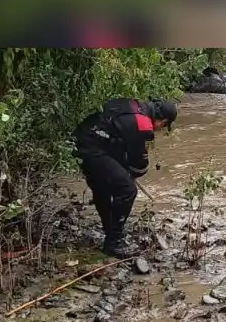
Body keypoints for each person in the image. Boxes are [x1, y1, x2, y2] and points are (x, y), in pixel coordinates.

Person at [73, 98, 178, 258]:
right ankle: (114, 242)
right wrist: (129, 174)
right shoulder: (144, 126)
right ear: (162, 121)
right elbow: (139, 165)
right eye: (163, 126)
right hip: (93, 148)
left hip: (82, 139)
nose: (160, 130)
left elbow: (118, 136)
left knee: (103, 186)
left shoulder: (136, 106)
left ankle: (111, 232)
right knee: (128, 189)